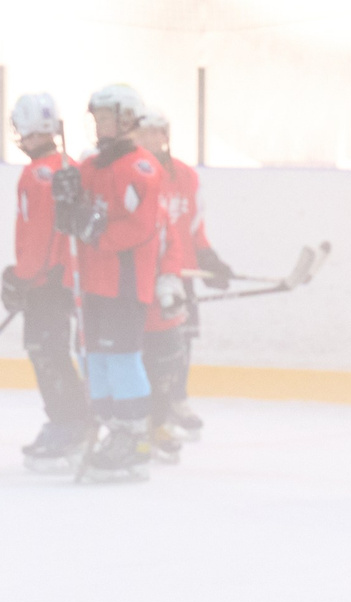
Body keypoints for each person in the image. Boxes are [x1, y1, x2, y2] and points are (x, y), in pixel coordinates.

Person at [53, 83, 164, 477]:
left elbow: (138, 228)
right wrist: (65, 204)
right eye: (96, 118)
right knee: (93, 360)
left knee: (121, 358)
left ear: (128, 120)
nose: (99, 125)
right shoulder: (90, 168)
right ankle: (110, 427)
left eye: (106, 118)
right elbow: (73, 225)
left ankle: (135, 438)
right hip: (91, 283)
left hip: (124, 280)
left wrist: (92, 228)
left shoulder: (141, 168)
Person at [133, 106, 231, 458]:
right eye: (145, 132)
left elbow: (194, 227)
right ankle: (148, 410)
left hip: (180, 275)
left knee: (180, 343)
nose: (152, 139)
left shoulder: (186, 177)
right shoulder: (135, 173)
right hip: (145, 274)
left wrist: (207, 258)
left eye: (159, 132)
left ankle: (176, 399)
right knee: (148, 346)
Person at [1, 92, 90, 470]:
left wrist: (21, 278)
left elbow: (39, 236)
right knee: (50, 353)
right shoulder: (61, 167)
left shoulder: (37, 174)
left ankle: (69, 424)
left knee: (47, 354)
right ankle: (71, 422)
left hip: (46, 284)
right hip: (59, 280)